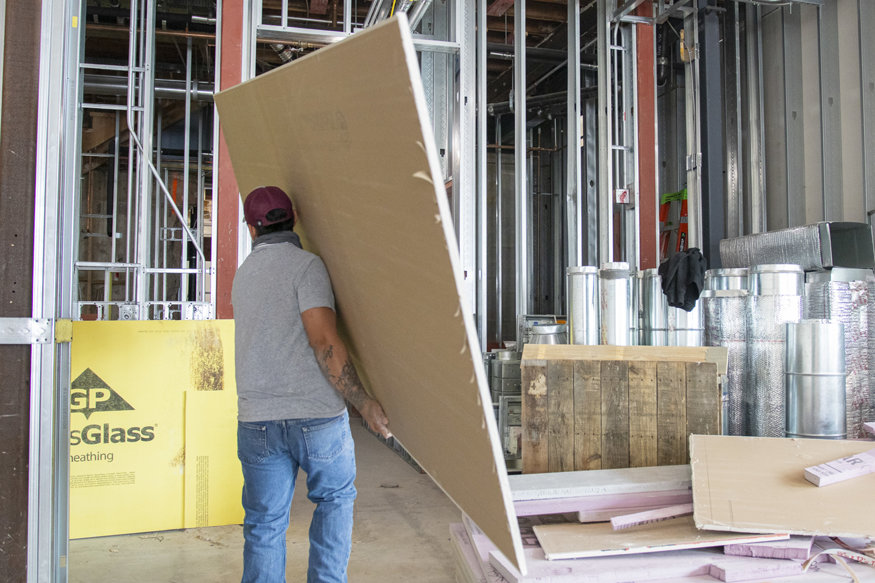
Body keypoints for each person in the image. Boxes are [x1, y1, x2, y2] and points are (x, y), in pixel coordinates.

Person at [231, 185, 391, 583]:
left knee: (264, 524)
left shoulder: (243, 275)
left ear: (252, 230)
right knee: (334, 502)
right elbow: (324, 341)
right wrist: (363, 402)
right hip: (316, 419)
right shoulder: (307, 266)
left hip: (257, 421)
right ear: (295, 218)